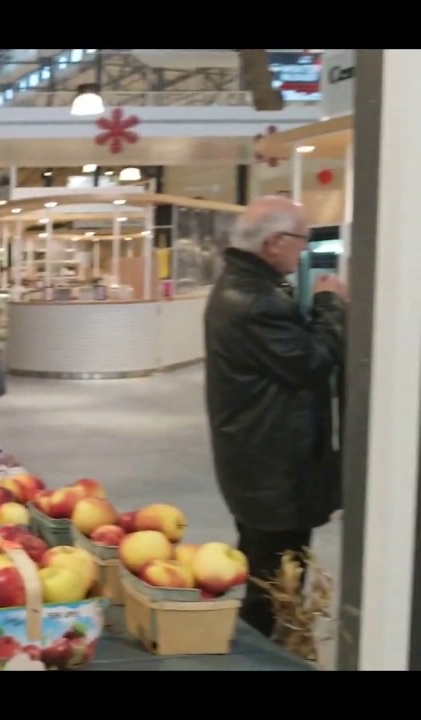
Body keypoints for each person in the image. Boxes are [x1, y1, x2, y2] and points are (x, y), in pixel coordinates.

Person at [203, 194, 346, 641]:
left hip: (260, 461)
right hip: (273, 471)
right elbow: (312, 361)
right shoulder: (253, 301)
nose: (304, 251)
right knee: (272, 587)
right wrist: (329, 305)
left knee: (266, 574)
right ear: (275, 242)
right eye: (302, 240)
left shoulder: (246, 288)